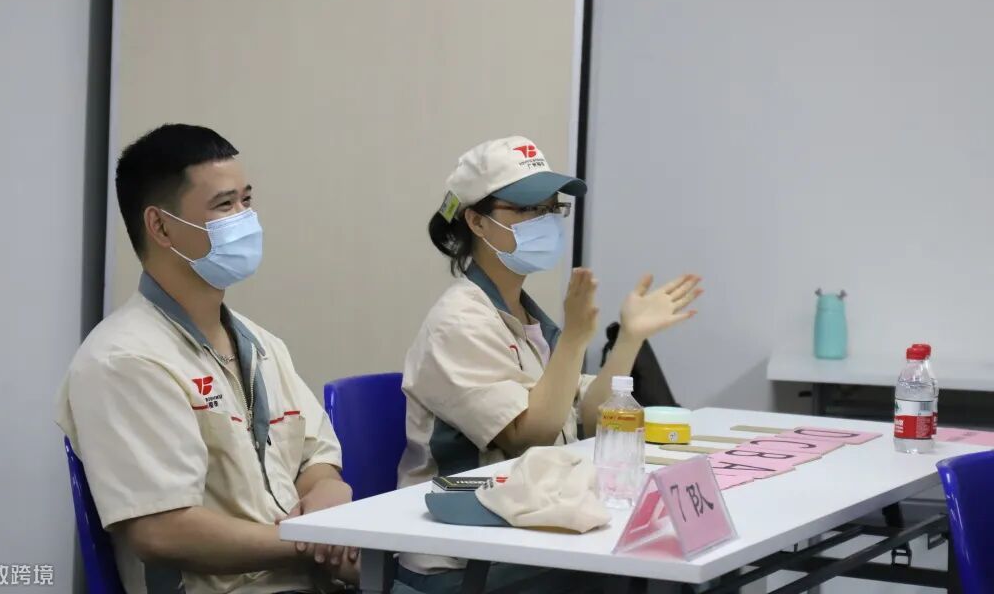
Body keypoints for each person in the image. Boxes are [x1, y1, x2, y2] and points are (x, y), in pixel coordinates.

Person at [56, 124, 355, 594]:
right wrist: (308, 543)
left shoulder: (262, 344)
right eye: (224, 205)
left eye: (247, 201)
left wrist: (328, 495)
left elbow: (314, 457)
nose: (245, 219)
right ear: (160, 227)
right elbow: (162, 531)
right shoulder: (125, 359)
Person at [396, 136, 702, 593]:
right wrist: (576, 338)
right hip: (465, 557)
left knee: (661, 559)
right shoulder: (458, 322)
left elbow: (592, 417)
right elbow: (530, 433)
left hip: (530, 531)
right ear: (476, 221)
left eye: (550, 208)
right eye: (527, 209)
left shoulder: (526, 316)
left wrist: (629, 339)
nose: (545, 221)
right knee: (644, 573)